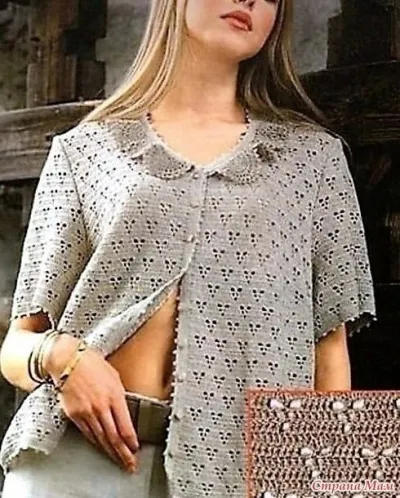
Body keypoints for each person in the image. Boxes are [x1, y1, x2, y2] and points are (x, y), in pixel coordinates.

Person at [0, 0, 377, 496]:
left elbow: (330, 354)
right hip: (75, 460)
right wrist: (64, 358)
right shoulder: (84, 149)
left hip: (245, 470)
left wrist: (335, 487)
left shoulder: (315, 160)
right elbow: (17, 345)